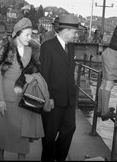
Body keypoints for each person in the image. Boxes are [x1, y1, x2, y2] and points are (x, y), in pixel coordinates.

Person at [0, 17, 51, 160]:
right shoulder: (4, 49)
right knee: (2, 134)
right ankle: (0, 158)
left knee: (23, 136)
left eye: (31, 35)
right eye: (27, 35)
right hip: (7, 98)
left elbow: (35, 71)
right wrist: (0, 99)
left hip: (24, 99)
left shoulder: (30, 51)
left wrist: (33, 78)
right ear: (17, 33)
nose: (29, 38)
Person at [39, 14, 81, 161]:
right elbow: (43, 75)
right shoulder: (47, 47)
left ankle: (60, 157)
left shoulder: (72, 48)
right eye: (75, 32)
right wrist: (48, 98)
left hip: (69, 98)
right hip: (53, 99)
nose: (76, 36)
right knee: (49, 137)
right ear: (67, 30)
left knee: (69, 129)